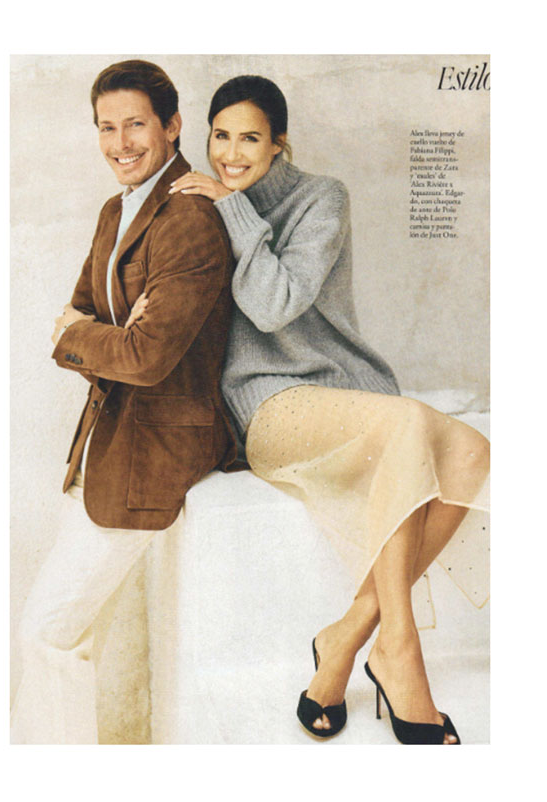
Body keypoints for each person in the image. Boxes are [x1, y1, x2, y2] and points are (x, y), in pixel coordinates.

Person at [163, 75, 490, 744]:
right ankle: (400, 648)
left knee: (474, 451)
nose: (230, 154)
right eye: (220, 136)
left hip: (346, 396)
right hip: (269, 408)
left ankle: (345, 638)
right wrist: (228, 208)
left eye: (249, 138)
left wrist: (234, 210)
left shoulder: (322, 198)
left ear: (279, 143)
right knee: (409, 423)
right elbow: (263, 313)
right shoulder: (205, 207)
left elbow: (279, 298)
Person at [10, 60, 237, 744]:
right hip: (106, 446)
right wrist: (102, 335)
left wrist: (94, 338)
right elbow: (76, 315)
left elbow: (143, 355)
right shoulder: (118, 210)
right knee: (73, 638)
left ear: (171, 125)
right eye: (106, 128)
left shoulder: (189, 218)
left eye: (135, 124)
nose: (120, 143)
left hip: (156, 452)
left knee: (47, 633)